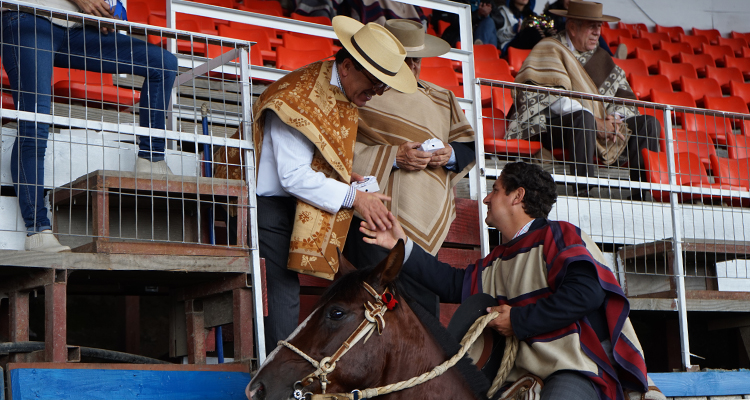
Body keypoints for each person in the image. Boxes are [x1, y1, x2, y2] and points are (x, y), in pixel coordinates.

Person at [360, 161, 655, 400]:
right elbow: (451, 284)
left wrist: (518, 320)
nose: (487, 197)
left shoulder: (559, 235)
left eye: (496, 190)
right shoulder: (498, 259)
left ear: (518, 196)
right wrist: (401, 243)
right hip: (517, 378)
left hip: (574, 370)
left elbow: (586, 294)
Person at [222, 16, 416, 355]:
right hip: (263, 204)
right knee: (281, 295)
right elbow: (293, 177)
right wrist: (356, 197)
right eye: (373, 83)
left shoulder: (335, 86)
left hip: (290, 201)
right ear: (346, 66)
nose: (377, 93)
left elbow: (315, 155)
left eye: (383, 86)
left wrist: (344, 177)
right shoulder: (299, 95)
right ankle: (276, 376)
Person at [1, 0, 178, 252]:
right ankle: (37, 229)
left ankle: (151, 158)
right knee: (35, 122)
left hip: (77, 27)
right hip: (29, 15)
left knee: (163, 63)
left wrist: (111, 14)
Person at [342, 19, 475, 314]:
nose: (414, 67)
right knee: (373, 302)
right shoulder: (364, 90)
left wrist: (449, 153)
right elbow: (337, 147)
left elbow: (468, 148)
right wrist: (393, 156)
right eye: (407, 59)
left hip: (426, 213)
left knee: (421, 311)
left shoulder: (442, 98)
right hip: (373, 213)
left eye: (418, 59)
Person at [505, 0, 659, 199]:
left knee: (648, 123)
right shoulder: (550, 48)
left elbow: (622, 93)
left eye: (599, 26)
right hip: (552, 128)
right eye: (591, 26)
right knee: (583, 119)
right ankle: (584, 192)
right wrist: (596, 123)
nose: (597, 32)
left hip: (594, 125)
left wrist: (615, 119)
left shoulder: (601, 57)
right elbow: (551, 98)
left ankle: (642, 195)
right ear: (572, 27)